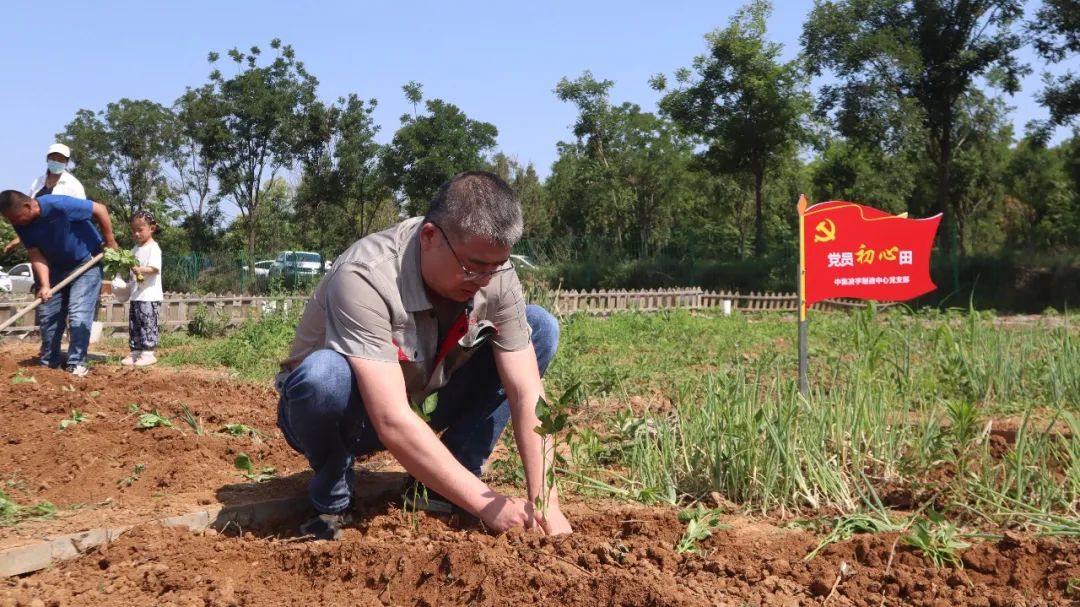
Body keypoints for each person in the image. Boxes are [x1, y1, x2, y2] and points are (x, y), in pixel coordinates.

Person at [276, 171, 572, 540]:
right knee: (324, 376)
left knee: (539, 327)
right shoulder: (366, 275)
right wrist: (490, 506)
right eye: (473, 267)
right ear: (430, 236)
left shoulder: (493, 271)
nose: (484, 280)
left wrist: (547, 504)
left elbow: (527, 393)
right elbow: (391, 418)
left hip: (418, 397)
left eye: (495, 268)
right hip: (344, 413)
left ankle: (446, 483)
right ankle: (332, 500)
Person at [0, 190, 118, 376]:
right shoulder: (21, 223)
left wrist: (110, 241)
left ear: (28, 206)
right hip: (54, 269)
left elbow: (100, 209)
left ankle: (76, 363)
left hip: (85, 262)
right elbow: (35, 252)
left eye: (16, 218)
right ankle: (49, 365)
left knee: (78, 314)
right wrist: (45, 285)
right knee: (48, 317)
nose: (15, 224)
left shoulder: (58, 205)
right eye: (10, 221)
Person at [3, 144, 87, 257]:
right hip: (41, 244)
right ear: (47, 159)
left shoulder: (73, 185)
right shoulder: (37, 182)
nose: (56, 161)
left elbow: (83, 214)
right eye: (53, 158)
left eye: (60, 159)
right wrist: (19, 239)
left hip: (64, 243)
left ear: (66, 162)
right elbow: (27, 213)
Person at [120, 210, 163, 367]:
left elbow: (154, 268)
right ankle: (135, 352)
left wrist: (140, 269)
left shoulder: (154, 248)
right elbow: (130, 266)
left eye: (140, 230)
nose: (136, 234)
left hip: (150, 295)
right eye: (134, 230)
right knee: (135, 324)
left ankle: (148, 353)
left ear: (151, 228)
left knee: (148, 323)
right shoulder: (135, 249)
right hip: (137, 294)